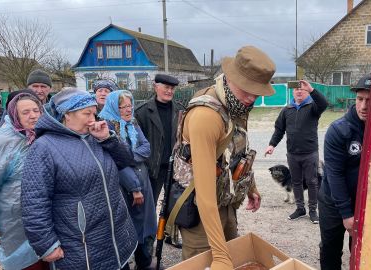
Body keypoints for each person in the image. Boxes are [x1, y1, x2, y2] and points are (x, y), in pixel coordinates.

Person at [176, 46, 275, 270]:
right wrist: (220, 255)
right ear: (231, 77)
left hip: (225, 199)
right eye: (247, 89)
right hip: (199, 209)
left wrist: (251, 187)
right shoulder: (206, 116)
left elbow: (238, 150)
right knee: (206, 263)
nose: (251, 98)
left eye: (256, 92)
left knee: (235, 258)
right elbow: (204, 194)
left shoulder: (235, 103)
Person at [21, 88, 137, 270]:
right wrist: (46, 244)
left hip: (115, 237)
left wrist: (108, 139)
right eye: (87, 113)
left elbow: (126, 161)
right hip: (81, 246)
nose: (94, 118)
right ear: (67, 114)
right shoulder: (44, 148)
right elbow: (34, 201)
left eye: (94, 113)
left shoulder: (95, 137)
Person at [0, 93, 45, 270]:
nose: (33, 115)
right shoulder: (2, 142)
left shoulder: (40, 136)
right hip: (14, 221)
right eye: (26, 112)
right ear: (15, 115)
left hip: (43, 218)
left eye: (36, 110)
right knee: (26, 264)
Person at [318, 74, 371, 270]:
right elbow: (335, 175)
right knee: (330, 249)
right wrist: (347, 213)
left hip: (363, 203)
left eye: (369, 99)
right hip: (334, 202)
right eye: (360, 99)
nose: (363, 106)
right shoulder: (339, 130)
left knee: (359, 249)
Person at [99, 90, 157, 270]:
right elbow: (116, 162)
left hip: (142, 178)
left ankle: (144, 262)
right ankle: (125, 263)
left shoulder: (132, 123)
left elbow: (147, 148)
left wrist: (127, 155)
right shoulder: (107, 127)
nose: (127, 110)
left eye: (129, 106)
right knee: (126, 225)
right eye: (122, 106)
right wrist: (134, 187)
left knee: (146, 223)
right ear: (113, 107)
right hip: (124, 185)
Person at [264, 80, 328, 223]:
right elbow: (279, 129)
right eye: (296, 90)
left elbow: (324, 103)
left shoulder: (313, 107)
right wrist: (271, 145)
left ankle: (312, 211)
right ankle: (300, 208)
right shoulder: (287, 110)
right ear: (293, 92)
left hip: (310, 153)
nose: (299, 91)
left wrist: (311, 89)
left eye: (302, 90)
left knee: (312, 182)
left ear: (306, 92)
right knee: (296, 182)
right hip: (292, 154)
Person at [135, 73, 184, 249]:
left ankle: (170, 236)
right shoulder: (142, 112)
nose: (169, 91)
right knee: (149, 209)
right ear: (155, 87)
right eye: (166, 87)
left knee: (175, 205)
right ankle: (147, 247)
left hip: (175, 168)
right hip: (151, 170)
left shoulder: (180, 110)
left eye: (172, 89)